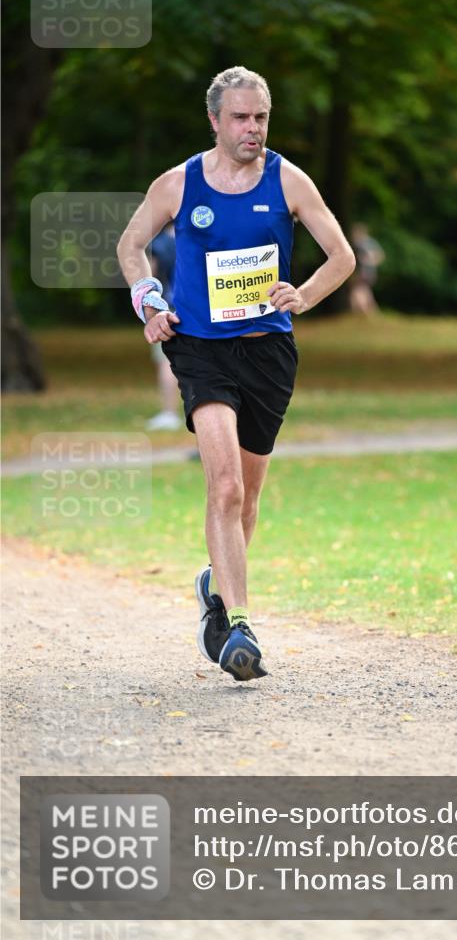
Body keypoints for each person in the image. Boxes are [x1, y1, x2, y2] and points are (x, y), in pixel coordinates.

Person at [117, 66, 356, 681]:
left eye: (262, 117)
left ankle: (216, 586)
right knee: (223, 488)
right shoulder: (179, 184)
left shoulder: (288, 180)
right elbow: (130, 245)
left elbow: (342, 256)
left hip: (268, 352)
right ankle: (239, 624)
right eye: (241, 118)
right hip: (200, 349)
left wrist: (303, 295)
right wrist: (149, 301)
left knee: (247, 499)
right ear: (215, 121)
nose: (254, 128)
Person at [145, 222, 181, 431]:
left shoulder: (160, 244)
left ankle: (169, 413)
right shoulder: (200, 235)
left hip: (168, 310)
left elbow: (149, 277)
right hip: (199, 310)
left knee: (166, 362)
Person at [349, 222, 384, 315]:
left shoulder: (360, 244)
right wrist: (371, 262)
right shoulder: (371, 242)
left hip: (363, 272)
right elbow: (379, 256)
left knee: (358, 292)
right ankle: (371, 314)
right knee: (365, 292)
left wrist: (367, 261)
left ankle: (364, 313)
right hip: (369, 273)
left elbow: (377, 257)